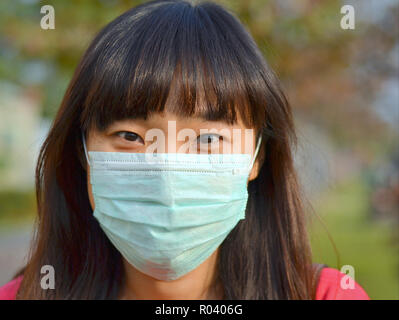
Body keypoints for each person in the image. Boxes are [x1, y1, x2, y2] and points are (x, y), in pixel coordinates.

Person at [0, 0, 369, 300]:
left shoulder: (324, 295)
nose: (165, 172)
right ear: (83, 153)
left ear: (257, 156)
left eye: (208, 140)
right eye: (130, 136)